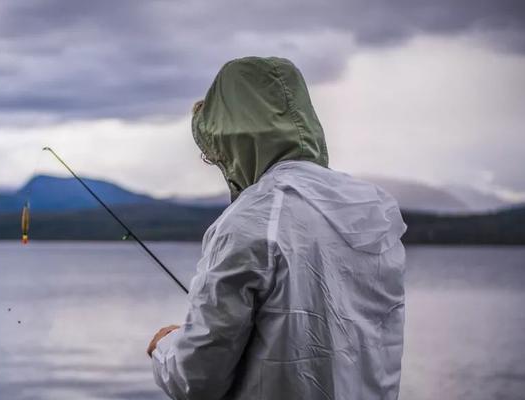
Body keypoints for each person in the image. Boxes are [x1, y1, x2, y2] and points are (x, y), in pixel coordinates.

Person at [147, 56, 407, 400]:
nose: (221, 165)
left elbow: (198, 380)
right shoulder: (376, 209)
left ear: (235, 143)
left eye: (218, 156)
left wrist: (166, 346)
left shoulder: (249, 220)